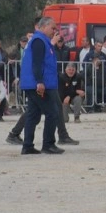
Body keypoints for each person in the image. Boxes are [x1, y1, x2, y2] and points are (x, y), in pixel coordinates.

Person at [19, 17, 65, 155]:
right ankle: (48, 144)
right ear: (44, 27)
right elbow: (37, 63)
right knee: (52, 112)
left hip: (33, 83)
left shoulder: (41, 40)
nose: (54, 31)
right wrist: (39, 81)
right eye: (52, 28)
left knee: (33, 114)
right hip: (37, 84)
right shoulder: (39, 41)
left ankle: (27, 145)